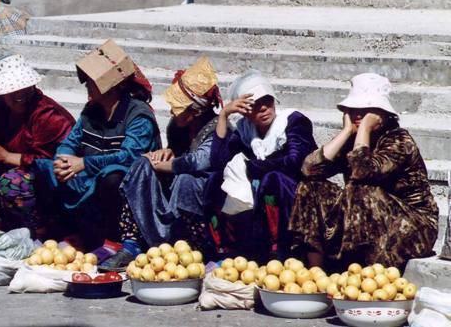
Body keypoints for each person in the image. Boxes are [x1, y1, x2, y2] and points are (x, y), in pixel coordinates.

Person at [289, 73, 439, 269]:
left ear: (382, 113)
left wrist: (364, 130)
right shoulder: (352, 140)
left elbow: (362, 171)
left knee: (361, 189)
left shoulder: (400, 141)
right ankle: (316, 273)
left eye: (367, 110)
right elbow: (309, 170)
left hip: (414, 225)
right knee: (310, 187)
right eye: (354, 109)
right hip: (368, 217)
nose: (359, 115)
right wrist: (345, 132)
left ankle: (365, 275)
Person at [35, 40, 161, 252]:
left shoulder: (138, 116)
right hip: (88, 179)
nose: (86, 86)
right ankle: (69, 235)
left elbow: (129, 158)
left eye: (91, 81)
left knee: (113, 177)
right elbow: (70, 142)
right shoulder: (91, 111)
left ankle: (114, 241)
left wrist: (84, 163)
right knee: (43, 169)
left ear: (110, 86)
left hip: (123, 187)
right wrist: (63, 161)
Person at [101, 57, 225, 271]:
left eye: (177, 108)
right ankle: (132, 243)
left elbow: (197, 162)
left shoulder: (218, 130)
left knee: (187, 180)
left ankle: (191, 248)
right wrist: (167, 153)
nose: (171, 112)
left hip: (204, 196)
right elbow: (178, 152)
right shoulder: (177, 126)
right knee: (143, 163)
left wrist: (165, 165)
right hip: (175, 183)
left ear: (195, 112)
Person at [205, 70, 317, 260]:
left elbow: (294, 163)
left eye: (268, 101)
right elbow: (218, 162)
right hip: (263, 187)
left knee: (272, 179)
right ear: (245, 111)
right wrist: (224, 115)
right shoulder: (245, 130)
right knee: (215, 179)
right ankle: (226, 251)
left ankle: (279, 251)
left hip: (296, 189)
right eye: (255, 105)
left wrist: (250, 168)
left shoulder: (294, 122)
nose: (264, 108)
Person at [0, 55, 75, 238]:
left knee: (12, 181)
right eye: (12, 91)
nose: (20, 95)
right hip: (6, 167)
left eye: (24, 88)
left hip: (45, 180)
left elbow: (51, 162)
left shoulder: (47, 114)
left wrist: (7, 156)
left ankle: (42, 234)